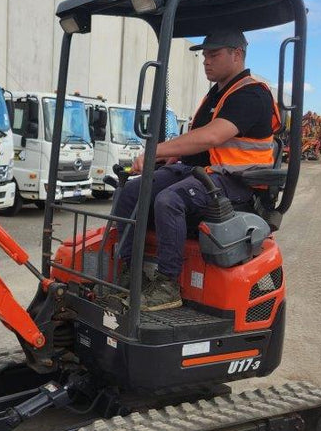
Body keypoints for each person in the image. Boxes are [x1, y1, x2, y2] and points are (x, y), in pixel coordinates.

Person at [114, 29, 280, 310]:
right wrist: (172, 157)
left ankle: (167, 285)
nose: (206, 61)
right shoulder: (217, 95)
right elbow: (199, 144)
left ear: (237, 54)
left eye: (213, 54)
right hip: (203, 174)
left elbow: (213, 136)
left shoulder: (251, 95)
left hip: (236, 182)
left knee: (170, 200)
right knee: (131, 190)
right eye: (204, 55)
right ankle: (132, 274)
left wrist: (158, 150)